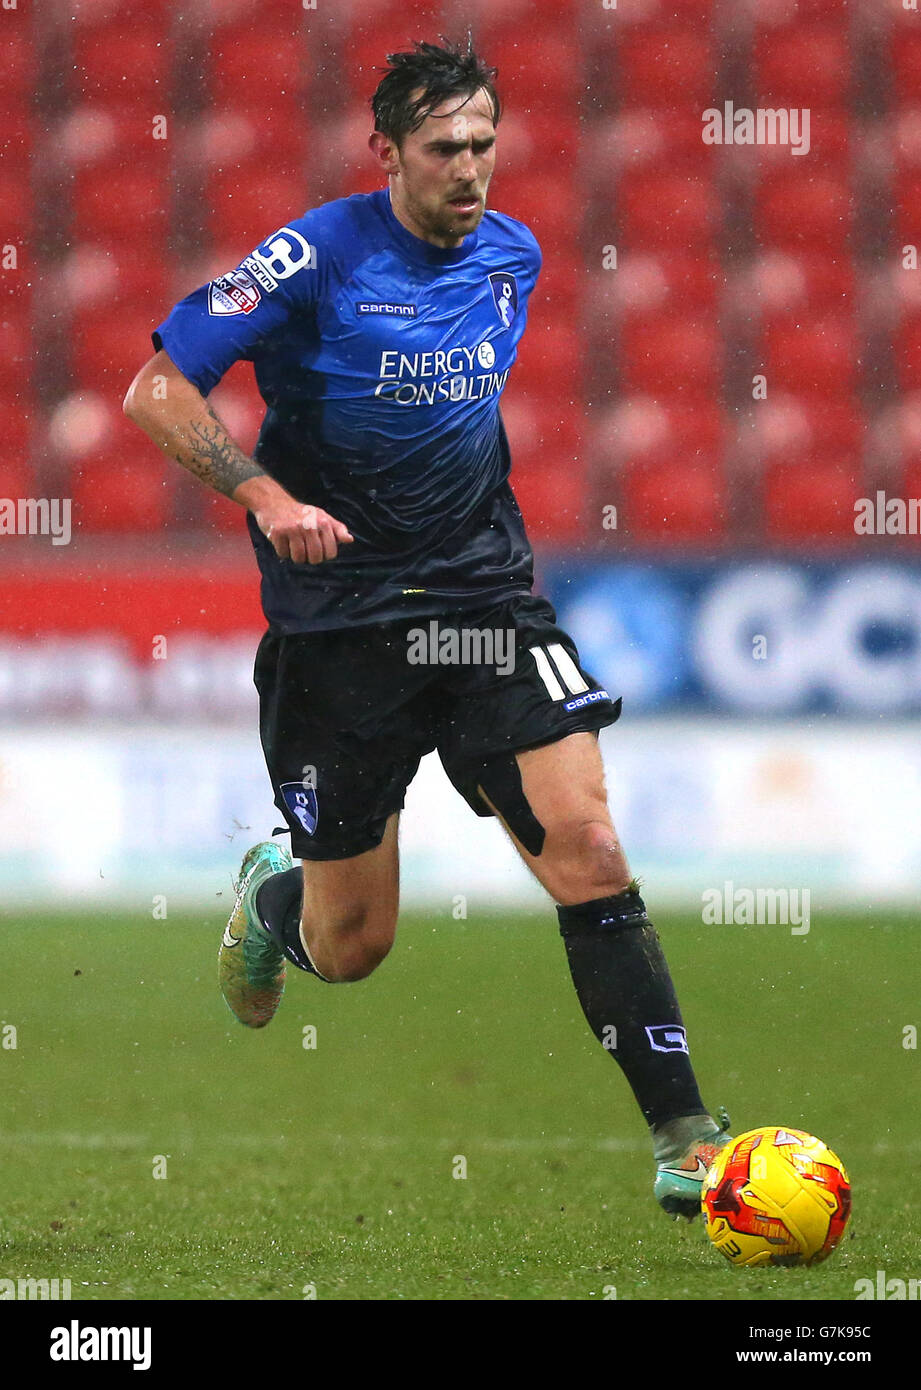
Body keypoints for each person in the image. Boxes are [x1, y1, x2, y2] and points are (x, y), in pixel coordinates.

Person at [124, 37, 731, 1219]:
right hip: (341, 629)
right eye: (444, 148)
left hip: (485, 606)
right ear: (387, 150)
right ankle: (272, 897)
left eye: (485, 146)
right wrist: (268, 499)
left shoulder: (514, 254)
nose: (470, 170)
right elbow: (157, 388)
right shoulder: (314, 255)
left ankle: (685, 1131)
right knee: (353, 946)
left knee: (591, 849)